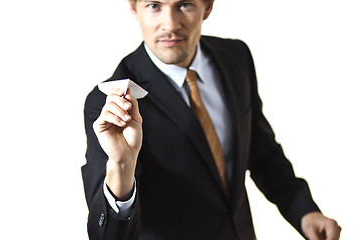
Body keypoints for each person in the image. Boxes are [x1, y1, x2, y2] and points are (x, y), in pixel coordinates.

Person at [81, 0, 341, 239]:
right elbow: (106, 235)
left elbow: (262, 154)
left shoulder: (236, 58)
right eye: (154, 5)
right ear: (133, 8)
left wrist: (305, 211)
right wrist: (121, 166)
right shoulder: (108, 105)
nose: (170, 24)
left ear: (207, 6)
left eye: (184, 5)